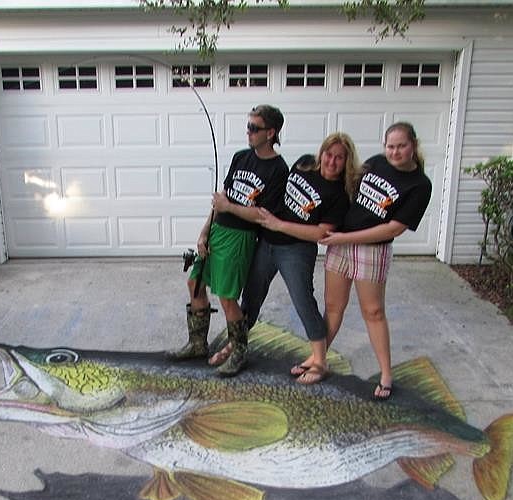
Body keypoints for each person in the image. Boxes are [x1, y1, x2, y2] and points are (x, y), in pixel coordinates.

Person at [224, 132, 358, 385]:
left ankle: (320, 362)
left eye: (339, 158)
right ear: (321, 153)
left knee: (303, 302)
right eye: (329, 154)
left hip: (296, 250)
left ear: (346, 162)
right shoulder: (304, 163)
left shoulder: (339, 194)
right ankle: (236, 345)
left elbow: (320, 233)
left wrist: (279, 225)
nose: (332, 161)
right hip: (266, 243)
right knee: (251, 297)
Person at [166, 105, 289, 377]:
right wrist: (203, 232)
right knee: (194, 282)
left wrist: (228, 207)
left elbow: (262, 215)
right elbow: (222, 198)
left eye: (254, 128)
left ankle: (239, 352)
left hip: (240, 237)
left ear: (271, 132)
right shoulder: (241, 157)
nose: (248, 132)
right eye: (248, 126)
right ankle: (198, 344)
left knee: (227, 297)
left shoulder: (278, 169)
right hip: (218, 230)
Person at [318, 121, 432, 401]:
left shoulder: (419, 185)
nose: (394, 152)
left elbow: (393, 228)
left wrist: (344, 239)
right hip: (341, 243)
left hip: (371, 250)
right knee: (333, 307)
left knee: (374, 312)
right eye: (390, 146)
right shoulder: (375, 163)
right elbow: (346, 191)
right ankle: (318, 359)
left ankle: (385, 374)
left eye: (401, 146)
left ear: (413, 146)